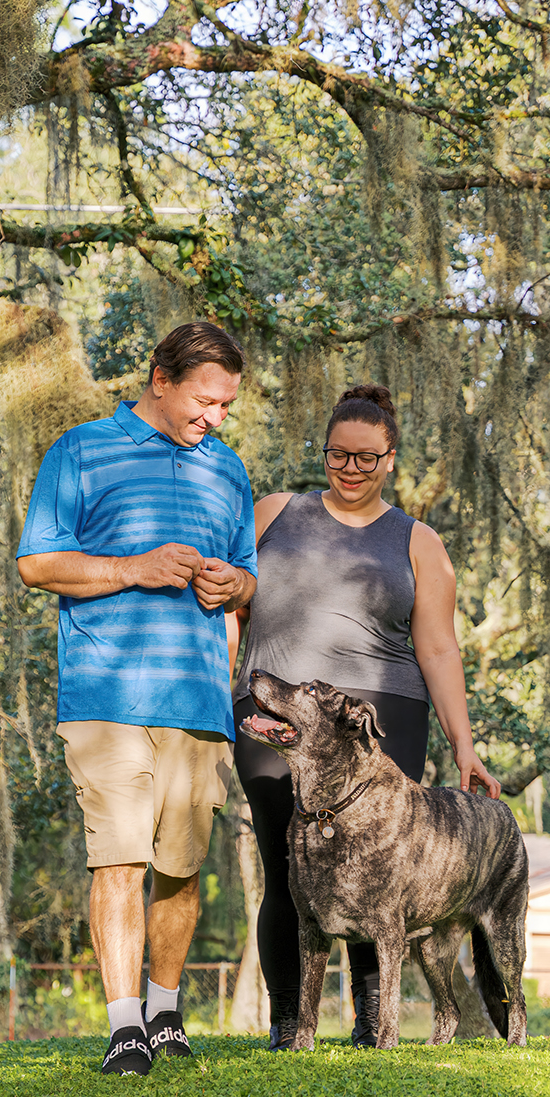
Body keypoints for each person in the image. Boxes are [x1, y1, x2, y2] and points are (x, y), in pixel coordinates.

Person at [16, 321, 257, 1076]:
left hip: (198, 701)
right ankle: (125, 1028)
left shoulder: (229, 471)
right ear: (161, 377)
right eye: (205, 400)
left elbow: (249, 574)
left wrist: (235, 584)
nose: (215, 417)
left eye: (226, 405)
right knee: (118, 858)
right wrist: (133, 567)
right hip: (108, 693)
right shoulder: (80, 450)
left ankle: (165, 1011)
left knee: (180, 866)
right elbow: (36, 563)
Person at [232, 383, 501, 1049]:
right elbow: (230, 610)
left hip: (381, 724)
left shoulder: (418, 542)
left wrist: (465, 746)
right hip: (281, 718)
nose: (350, 470)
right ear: (323, 451)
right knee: (287, 871)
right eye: (338, 455)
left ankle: (370, 1027)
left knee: (377, 875)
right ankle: (290, 1024)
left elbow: (438, 646)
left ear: (390, 459)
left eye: (366, 459)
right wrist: (221, 694)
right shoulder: (272, 512)